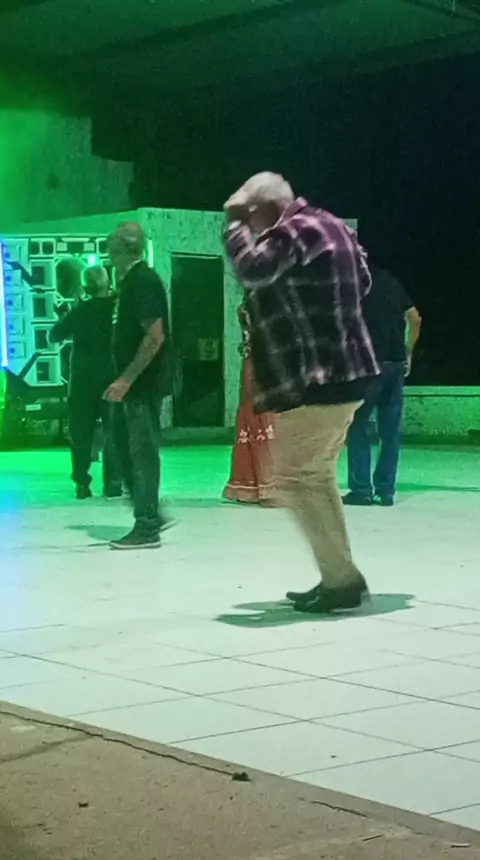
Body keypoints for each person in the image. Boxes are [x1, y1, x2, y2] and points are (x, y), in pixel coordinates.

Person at [223, 172, 379, 614]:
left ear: (262, 210)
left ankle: (342, 580)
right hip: (347, 373)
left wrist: (233, 224)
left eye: (250, 217)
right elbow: (364, 282)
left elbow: (252, 269)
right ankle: (338, 575)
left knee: (294, 477)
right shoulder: (332, 226)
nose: (251, 229)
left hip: (318, 377)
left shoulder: (295, 230)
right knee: (314, 478)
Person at [105, 222, 171, 550]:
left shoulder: (142, 281)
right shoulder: (131, 281)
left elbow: (154, 336)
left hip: (141, 386)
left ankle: (146, 525)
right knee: (123, 449)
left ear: (120, 248)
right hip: (134, 386)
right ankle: (150, 513)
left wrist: (126, 379)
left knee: (142, 454)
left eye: (111, 245)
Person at [344, 266, 422, 507]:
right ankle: (385, 490)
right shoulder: (391, 282)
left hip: (368, 366)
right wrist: (408, 351)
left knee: (357, 425)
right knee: (390, 432)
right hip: (395, 365)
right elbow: (415, 319)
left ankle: (361, 490)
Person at [50, 265, 121, 499]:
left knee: (81, 434)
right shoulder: (116, 309)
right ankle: (113, 483)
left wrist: (63, 315)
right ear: (106, 282)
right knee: (113, 431)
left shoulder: (80, 311)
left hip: (81, 379)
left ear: (85, 286)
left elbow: (55, 335)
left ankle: (82, 483)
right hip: (111, 376)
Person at [223, 302, 275, 504]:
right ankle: (266, 485)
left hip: (258, 366)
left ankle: (255, 485)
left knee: (258, 418)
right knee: (261, 419)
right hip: (265, 367)